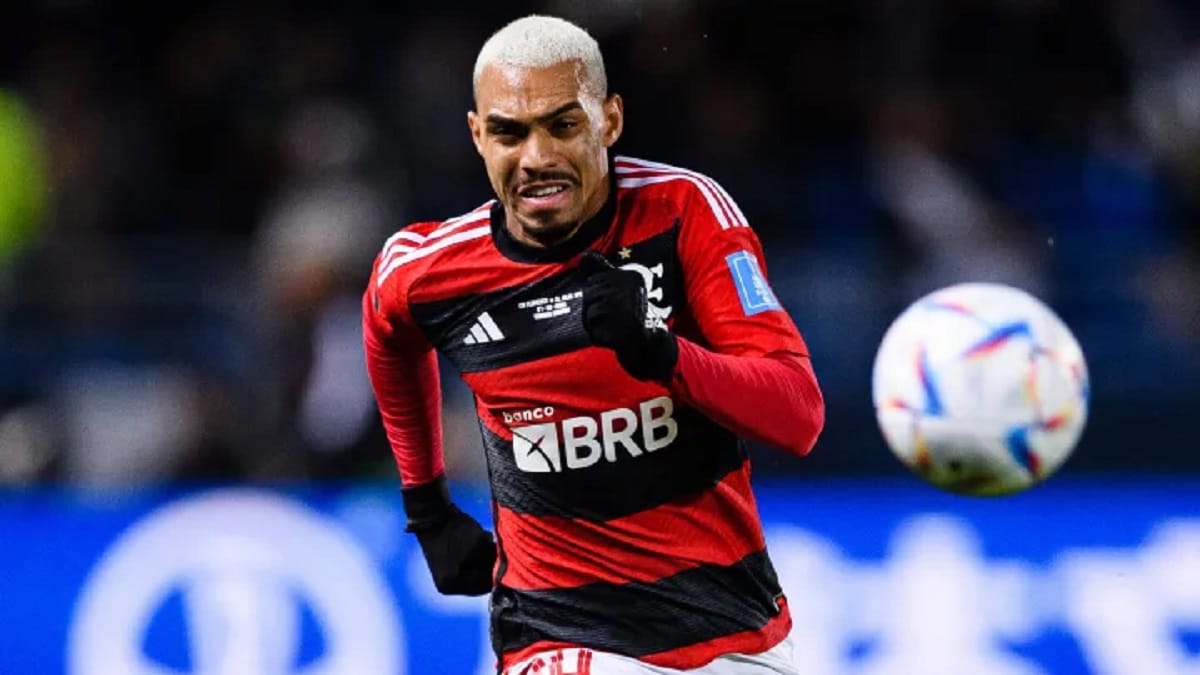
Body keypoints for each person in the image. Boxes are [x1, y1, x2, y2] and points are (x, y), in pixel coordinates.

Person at [363, 14, 824, 675]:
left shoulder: (684, 211)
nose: (536, 158)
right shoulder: (429, 269)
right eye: (508, 132)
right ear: (476, 136)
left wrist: (660, 352)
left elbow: (799, 415)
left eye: (562, 125)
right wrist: (426, 505)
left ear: (609, 121)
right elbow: (386, 332)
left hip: (731, 635)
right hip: (553, 634)